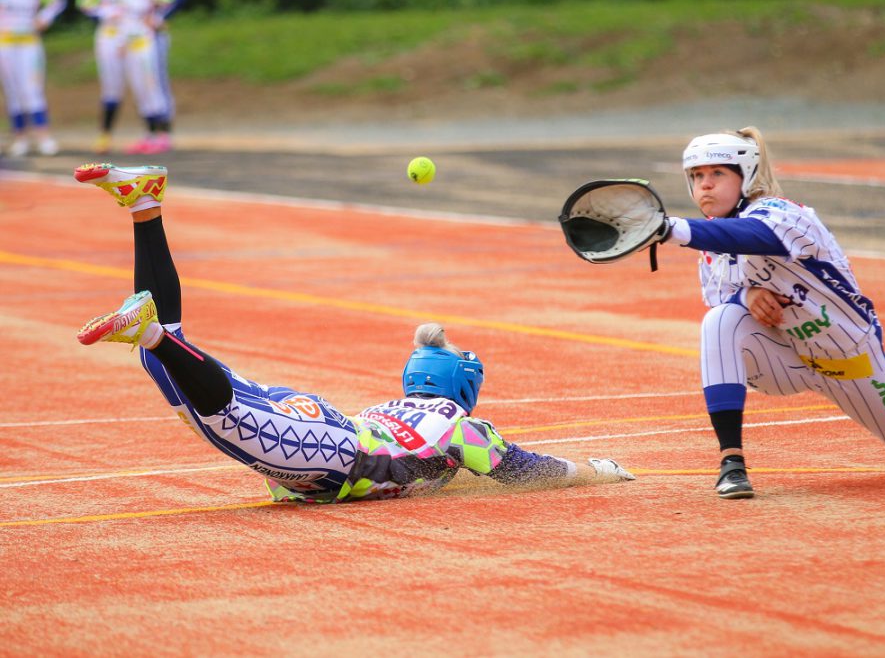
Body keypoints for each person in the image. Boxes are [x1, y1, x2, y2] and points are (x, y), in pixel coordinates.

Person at [73, 163, 635, 502]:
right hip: (335, 455)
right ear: (465, 387)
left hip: (323, 428)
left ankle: (145, 204)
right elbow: (526, 469)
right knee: (199, 390)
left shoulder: (395, 408)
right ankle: (152, 336)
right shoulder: (463, 425)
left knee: (179, 362)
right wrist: (597, 471)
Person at [662, 127, 885, 499]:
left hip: (848, 357)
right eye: (697, 176)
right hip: (785, 359)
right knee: (719, 321)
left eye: (717, 174)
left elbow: (756, 237)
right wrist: (745, 297)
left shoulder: (784, 213)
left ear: (747, 176)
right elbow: (720, 301)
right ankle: (732, 463)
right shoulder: (709, 246)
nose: (705, 185)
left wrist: (670, 229)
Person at [76, 0, 178, 155]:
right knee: (111, 88)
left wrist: (157, 17)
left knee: (146, 85)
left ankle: (158, 135)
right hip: (110, 37)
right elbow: (85, 3)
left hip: (139, 36)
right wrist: (104, 11)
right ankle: (105, 136)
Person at [0, 0, 66, 157]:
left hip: (29, 43)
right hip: (5, 44)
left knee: (33, 89)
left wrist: (45, 17)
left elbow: (57, 0)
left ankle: (43, 137)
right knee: (13, 92)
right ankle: (20, 138)